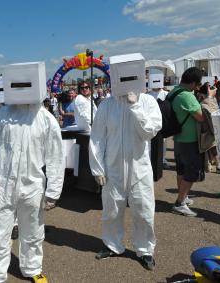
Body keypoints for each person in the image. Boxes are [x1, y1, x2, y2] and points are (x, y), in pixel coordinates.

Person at [0, 62, 65, 283]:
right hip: (4, 185)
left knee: (33, 232)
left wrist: (53, 191)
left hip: (33, 185)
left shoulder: (45, 118)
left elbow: (56, 157)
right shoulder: (2, 116)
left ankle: (32, 269)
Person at [89, 53, 162, 271]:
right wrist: (97, 167)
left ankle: (145, 249)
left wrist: (135, 106)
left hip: (140, 168)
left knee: (144, 210)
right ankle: (113, 245)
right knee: (111, 210)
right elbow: (97, 138)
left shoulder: (148, 102)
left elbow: (149, 132)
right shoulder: (107, 105)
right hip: (113, 170)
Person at [168, 67, 205, 217]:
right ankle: (179, 203)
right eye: (198, 83)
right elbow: (201, 117)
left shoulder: (174, 91)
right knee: (191, 172)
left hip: (178, 138)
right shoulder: (187, 96)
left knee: (181, 170)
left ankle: (184, 197)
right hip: (189, 140)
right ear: (194, 83)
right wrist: (207, 99)